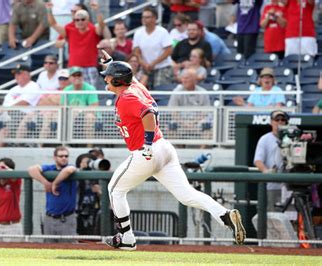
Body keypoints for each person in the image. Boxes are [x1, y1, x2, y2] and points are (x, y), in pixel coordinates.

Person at [99, 52, 245, 250]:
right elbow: (129, 78)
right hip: (164, 148)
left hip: (146, 151)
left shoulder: (128, 96)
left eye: (108, 76)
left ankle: (126, 237)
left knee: (115, 189)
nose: (105, 78)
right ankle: (224, 215)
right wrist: (111, 63)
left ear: (118, 80)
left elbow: (147, 113)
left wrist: (147, 145)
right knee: (186, 195)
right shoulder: (134, 86)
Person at [46, 2, 106, 88]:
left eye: (82, 19)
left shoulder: (93, 29)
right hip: (74, 67)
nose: (80, 21)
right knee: (74, 94)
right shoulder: (69, 29)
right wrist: (49, 10)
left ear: (87, 19)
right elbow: (53, 24)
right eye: (77, 20)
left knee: (90, 94)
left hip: (90, 68)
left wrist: (97, 10)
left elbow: (102, 25)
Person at [27, 146, 77, 243]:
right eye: (61, 156)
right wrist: (46, 183)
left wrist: (55, 183)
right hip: (49, 218)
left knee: (68, 248)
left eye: (66, 156)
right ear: (55, 157)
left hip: (66, 218)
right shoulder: (50, 168)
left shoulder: (70, 167)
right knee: (48, 248)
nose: (64, 158)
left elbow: (69, 170)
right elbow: (31, 170)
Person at [253, 110, 289, 211]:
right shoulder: (265, 139)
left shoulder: (292, 138)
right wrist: (266, 171)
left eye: (283, 119)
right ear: (271, 122)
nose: (280, 122)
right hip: (273, 185)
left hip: (290, 186)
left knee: (291, 217)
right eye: (277, 119)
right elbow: (258, 161)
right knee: (273, 216)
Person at [132, 6, 173, 89]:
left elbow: (168, 50)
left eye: (147, 17)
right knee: (143, 91)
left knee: (161, 92)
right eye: (143, 17)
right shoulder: (138, 33)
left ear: (154, 18)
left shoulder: (162, 32)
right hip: (145, 67)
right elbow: (136, 51)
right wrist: (144, 63)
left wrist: (153, 63)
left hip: (162, 67)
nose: (144, 19)